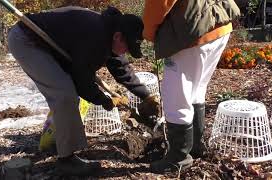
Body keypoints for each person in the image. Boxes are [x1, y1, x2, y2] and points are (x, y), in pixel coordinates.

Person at [8, 6, 159, 176]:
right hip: (28, 40)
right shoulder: (95, 37)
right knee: (64, 95)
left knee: (65, 93)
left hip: (50, 44)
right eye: (128, 47)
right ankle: (67, 161)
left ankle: (59, 141)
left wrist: (146, 96)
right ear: (118, 37)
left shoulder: (112, 30)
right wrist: (105, 100)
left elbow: (122, 69)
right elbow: (82, 81)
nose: (126, 52)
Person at [142, 0, 241, 173]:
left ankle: (179, 158)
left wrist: (149, 32)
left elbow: (158, 4)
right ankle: (195, 146)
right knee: (196, 89)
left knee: (175, 96)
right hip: (219, 24)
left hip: (192, 32)